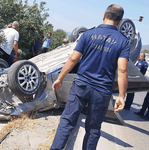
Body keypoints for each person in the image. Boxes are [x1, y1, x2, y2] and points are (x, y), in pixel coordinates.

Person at [50, 4, 130, 150]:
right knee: (93, 129)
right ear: (119, 21)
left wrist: (60, 78)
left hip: (81, 85)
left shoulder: (88, 34)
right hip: (102, 91)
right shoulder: (123, 41)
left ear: (104, 16)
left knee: (67, 121)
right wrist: (121, 96)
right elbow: (123, 70)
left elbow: (73, 59)